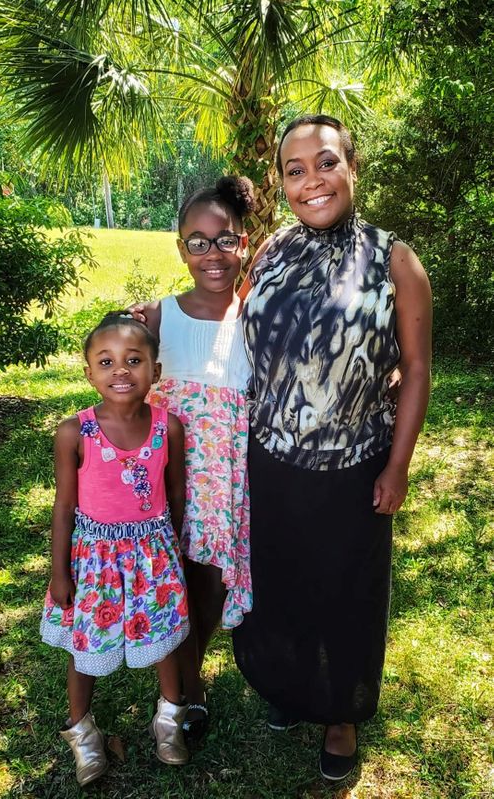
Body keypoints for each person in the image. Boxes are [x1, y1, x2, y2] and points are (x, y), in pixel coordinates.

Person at [232, 115, 432, 782]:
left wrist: (397, 466)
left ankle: (341, 714)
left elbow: (417, 367)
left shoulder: (394, 259)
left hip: (354, 469)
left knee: (347, 595)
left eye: (325, 163)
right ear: (280, 182)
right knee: (281, 586)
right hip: (273, 459)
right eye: (295, 170)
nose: (311, 181)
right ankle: (291, 691)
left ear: (352, 167)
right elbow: (244, 339)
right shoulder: (270, 250)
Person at [40, 313, 190, 786]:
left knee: (165, 640)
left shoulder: (170, 427)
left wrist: (176, 551)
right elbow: (64, 507)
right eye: (106, 362)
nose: (121, 371)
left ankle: (169, 721)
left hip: (155, 555)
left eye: (133, 360)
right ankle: (82, 732)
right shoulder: (73, 432)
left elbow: (177, 493)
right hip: (94, 562)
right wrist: (60, 572)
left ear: (155, 371)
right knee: (86, 646)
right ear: (89, 371)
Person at [129, 176, 254, 738]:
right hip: (165, 478)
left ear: (243, 243)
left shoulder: (257, 319)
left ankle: (190, 683)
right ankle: (174, 686)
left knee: (206, 583)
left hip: (223, 482)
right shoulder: (158, 318)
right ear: (181, 249)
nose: (212, 254)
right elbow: (120, 390)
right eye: (197, 242)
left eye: (224, 239)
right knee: (166, 578)